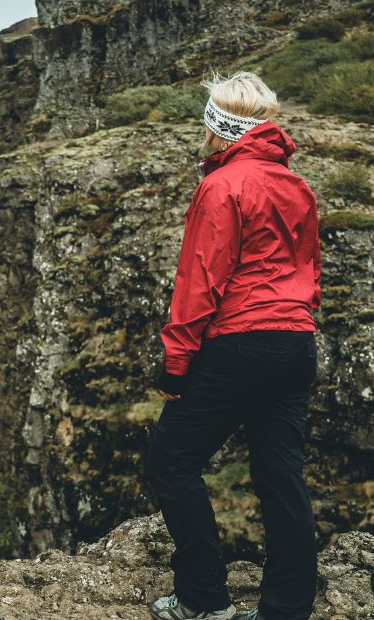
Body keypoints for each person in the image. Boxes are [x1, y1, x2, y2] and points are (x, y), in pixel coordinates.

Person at [145, 70, 322, 620]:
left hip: (242, 340)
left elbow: (200, 281)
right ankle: (286, 610)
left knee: (169, 462)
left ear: (219, 130)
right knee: (280, 477)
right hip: (296, 342)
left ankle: (202, 598)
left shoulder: (221, 185)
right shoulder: (296, 186)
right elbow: (309, 268)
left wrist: (175, 364)